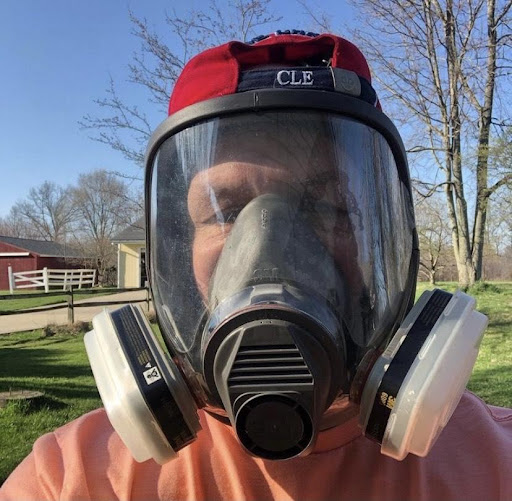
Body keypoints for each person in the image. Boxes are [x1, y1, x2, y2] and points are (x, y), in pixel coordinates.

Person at [1, 30, 511, 501]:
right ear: (179, 249)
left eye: (325, 204)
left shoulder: (497, 468)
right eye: (224, 211)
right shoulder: (70, 480)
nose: (267, 240)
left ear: (384, 237)